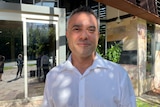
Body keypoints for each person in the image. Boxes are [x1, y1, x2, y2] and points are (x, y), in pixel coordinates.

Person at [42, 6, 136, 107]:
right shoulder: (53, 77)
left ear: (98, 36)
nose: (84, 36)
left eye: (91, 30)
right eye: (77, 29)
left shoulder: (119, 76)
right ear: (67, 35)